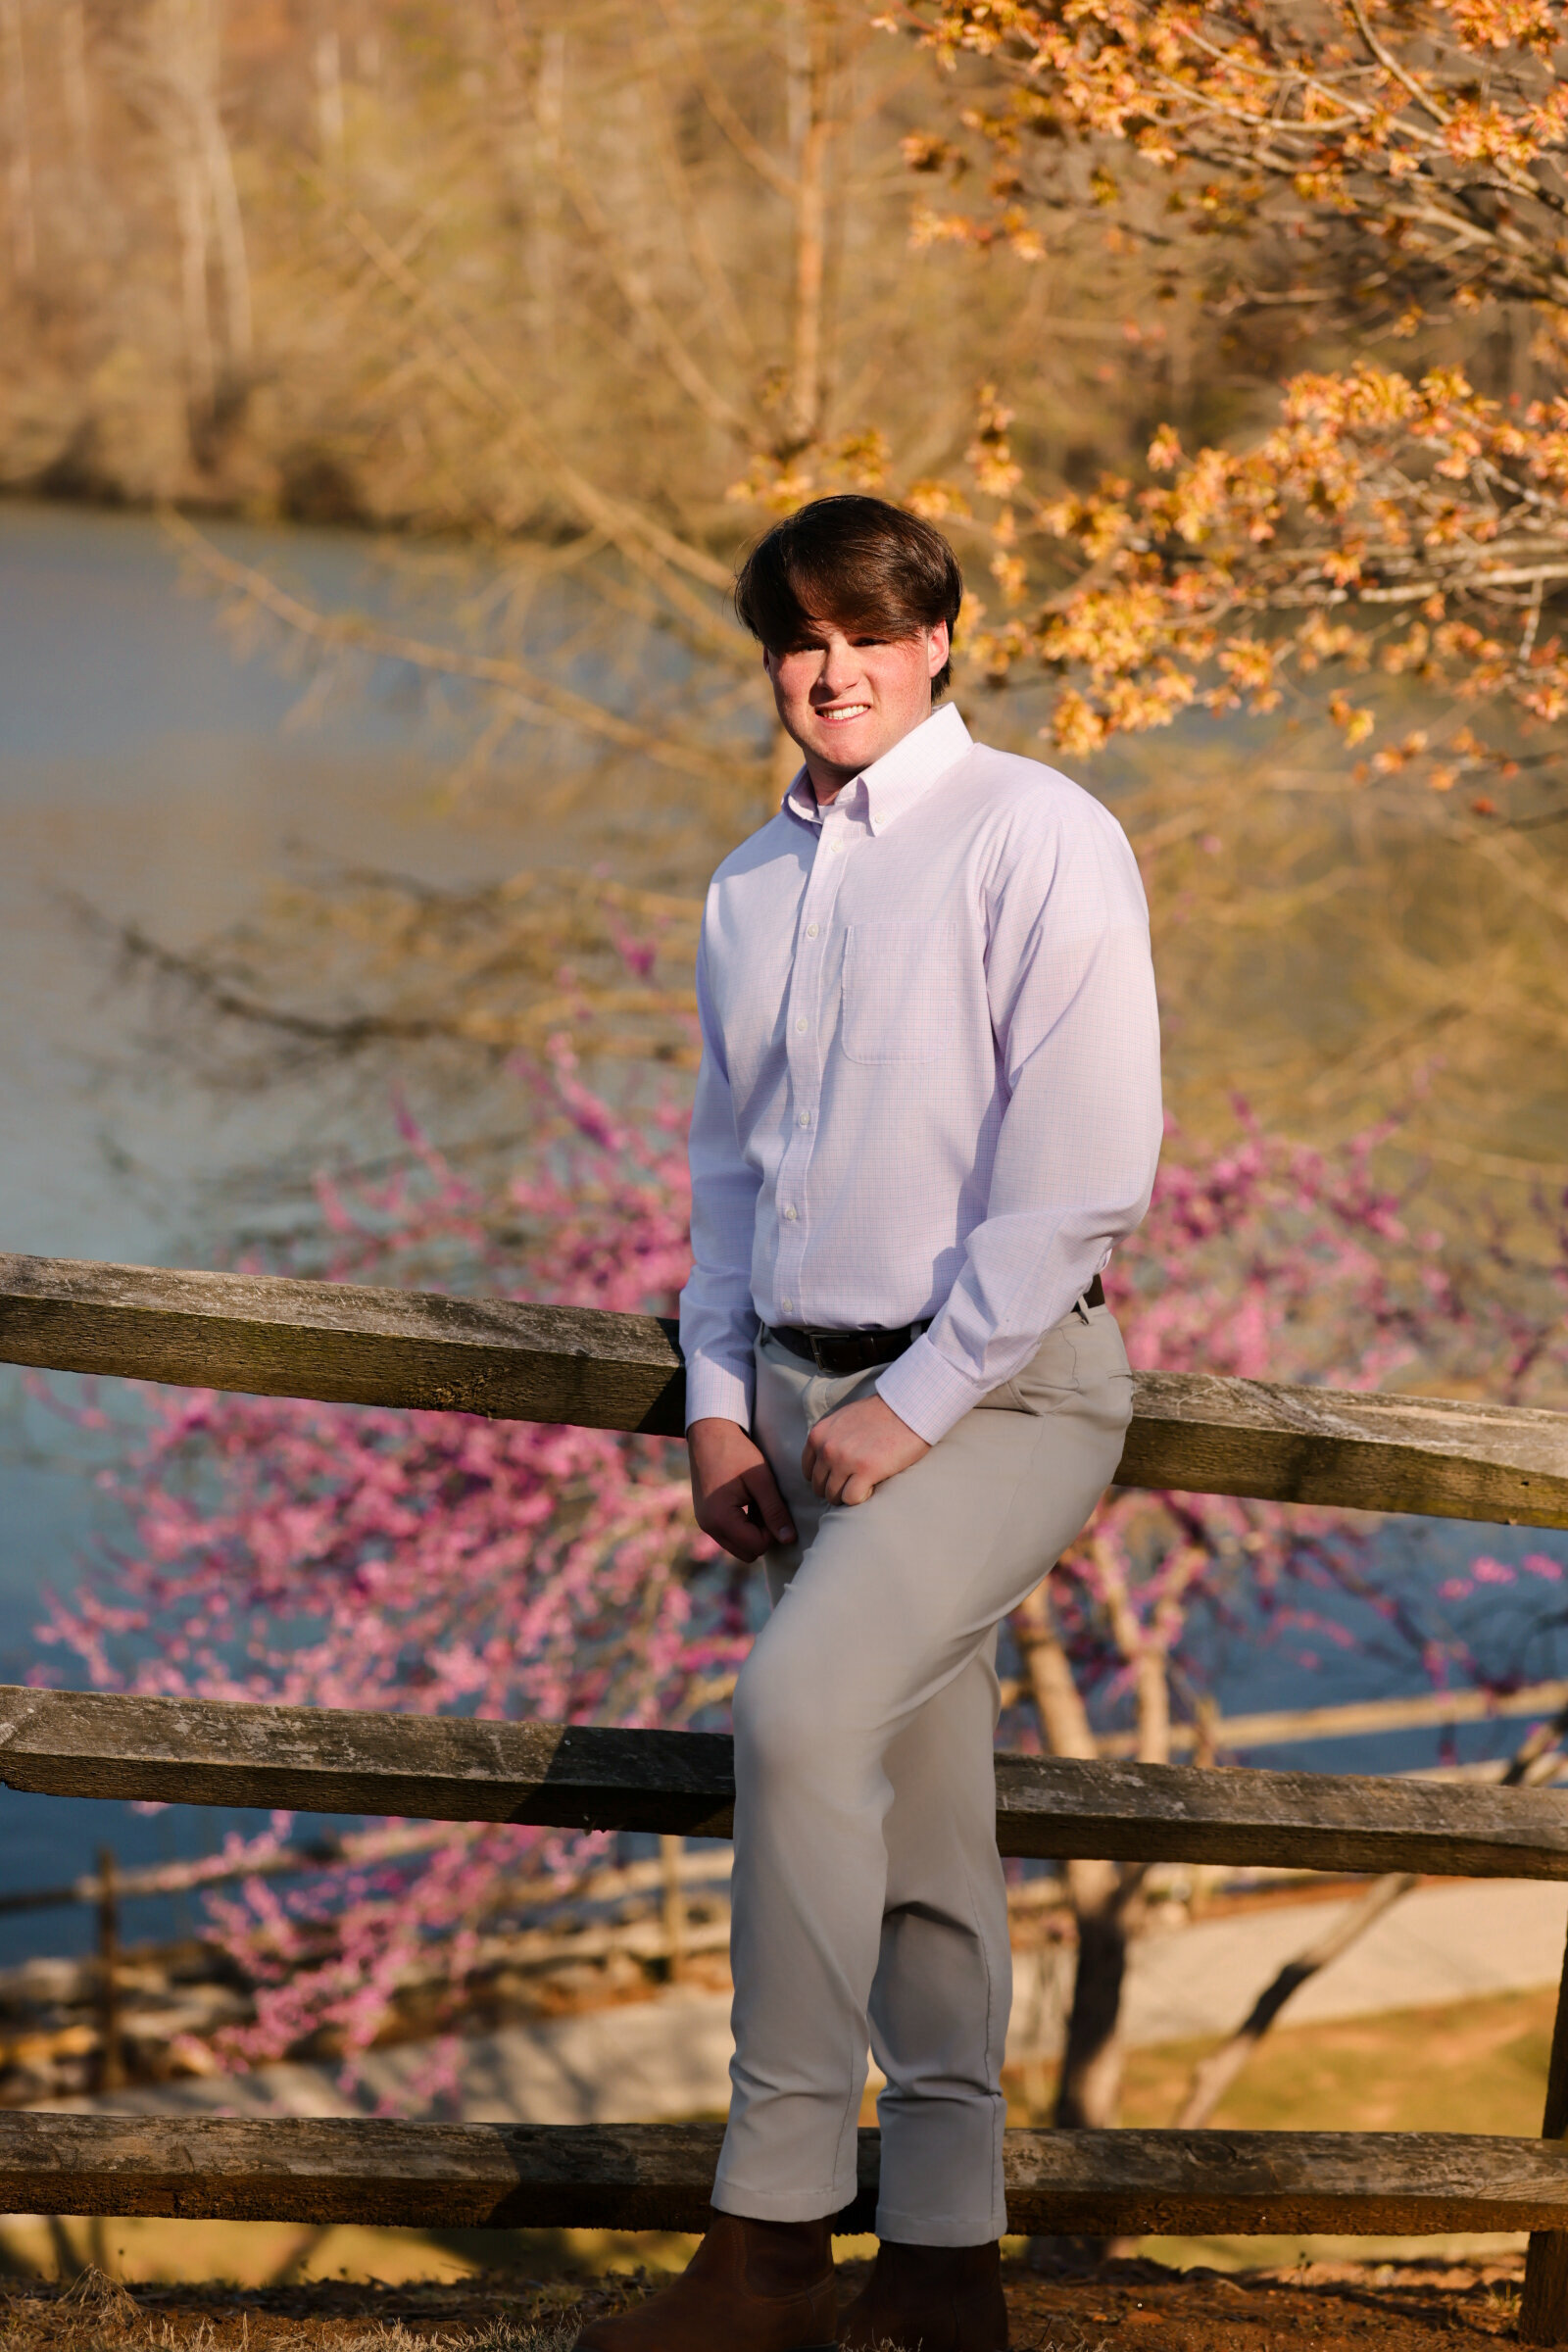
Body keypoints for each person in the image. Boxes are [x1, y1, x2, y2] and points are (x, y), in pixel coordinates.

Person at [576, 495, 1162, 2352]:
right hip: (808, 1407)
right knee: (918, 1812)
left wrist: (912, 1406)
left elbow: (1083, 1177)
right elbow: (733, 1175)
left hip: (1000, 1391)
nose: (832, 671)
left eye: (868, 634)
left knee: (796, 1713)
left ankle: (767, 2241)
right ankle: (945, 2260)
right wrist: (725, 1409)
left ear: (937, 642)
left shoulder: (1037, 833)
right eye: (800, 639)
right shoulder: (752, 885)